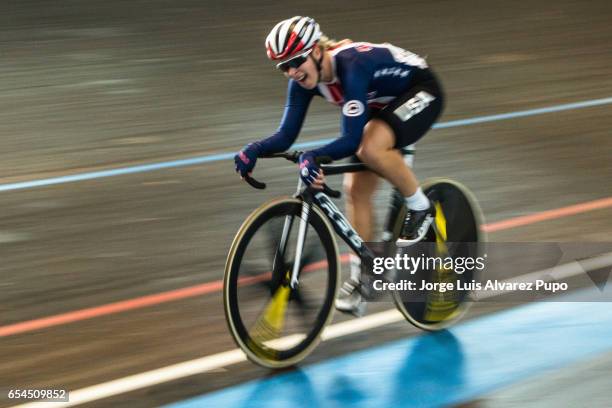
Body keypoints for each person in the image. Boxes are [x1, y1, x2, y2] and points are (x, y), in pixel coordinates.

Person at [234, 16, 444, 316]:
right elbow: (286, 135)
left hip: (421, 90)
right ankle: (367, 276)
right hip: (382, 105)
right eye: (284, 67)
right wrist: (255, 149)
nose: (292, 72)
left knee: (369, 146)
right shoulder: (304, 81)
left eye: (296, 61)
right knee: (355, 190)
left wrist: (314, 156)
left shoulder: (351, 65)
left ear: (317, 50)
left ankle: (420, 207)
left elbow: (350, 139)